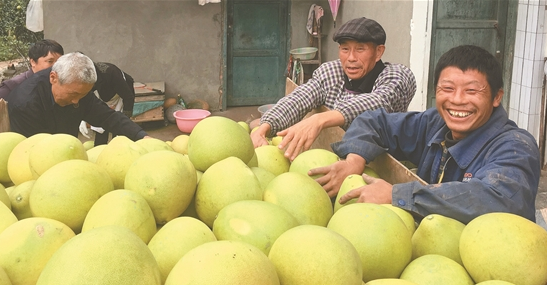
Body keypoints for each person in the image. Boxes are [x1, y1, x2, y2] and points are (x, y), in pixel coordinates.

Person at [311, 45, 540, 224]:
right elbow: (374, 122)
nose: (457, 100)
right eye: (447, 89)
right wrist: (354, 159)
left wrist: (398, 194)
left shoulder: (515, 146)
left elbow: (497, 198)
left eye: (471, 90)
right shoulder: (435, 124)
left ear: (496, 97)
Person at [251, 17, 416, 161]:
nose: (351, 58)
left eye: (360, 49)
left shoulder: (397, 76)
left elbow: (379, 102)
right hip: (333, 158)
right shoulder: (332, 72)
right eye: (345, 49)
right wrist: (265, 126)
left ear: (379, 52)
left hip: (382, 163)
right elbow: (300, 97)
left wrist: (319, 120)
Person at [6, 52, 148, 141]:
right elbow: (32, 153)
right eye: (73, 94)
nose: (76, 101)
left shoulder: (77, 90)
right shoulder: (25, 103)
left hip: (69, 154)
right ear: (53, 78)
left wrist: (141, 136)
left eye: (83, 95)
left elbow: (108, 117)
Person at [79, 61, 137, 145]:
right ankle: (99, 146)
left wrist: (125, 119)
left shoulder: (112, 73)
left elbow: (128, 97)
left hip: (121, 96)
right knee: (101, 123)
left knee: (119, 127)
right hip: (102, 96)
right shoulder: (85, 78)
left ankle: (118, 146)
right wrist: (83, 118)